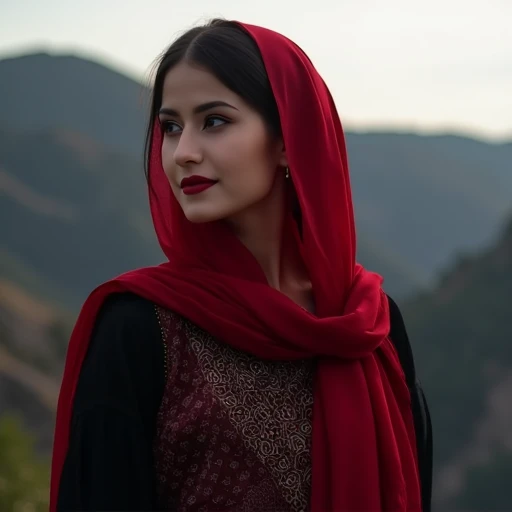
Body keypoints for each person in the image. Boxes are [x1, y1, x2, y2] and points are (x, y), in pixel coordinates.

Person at [51, 19, 432, 512]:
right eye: (170, 127)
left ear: (286, 140)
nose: (183, 152)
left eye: (214, 121)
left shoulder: (369, 324)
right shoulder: (140, 327)